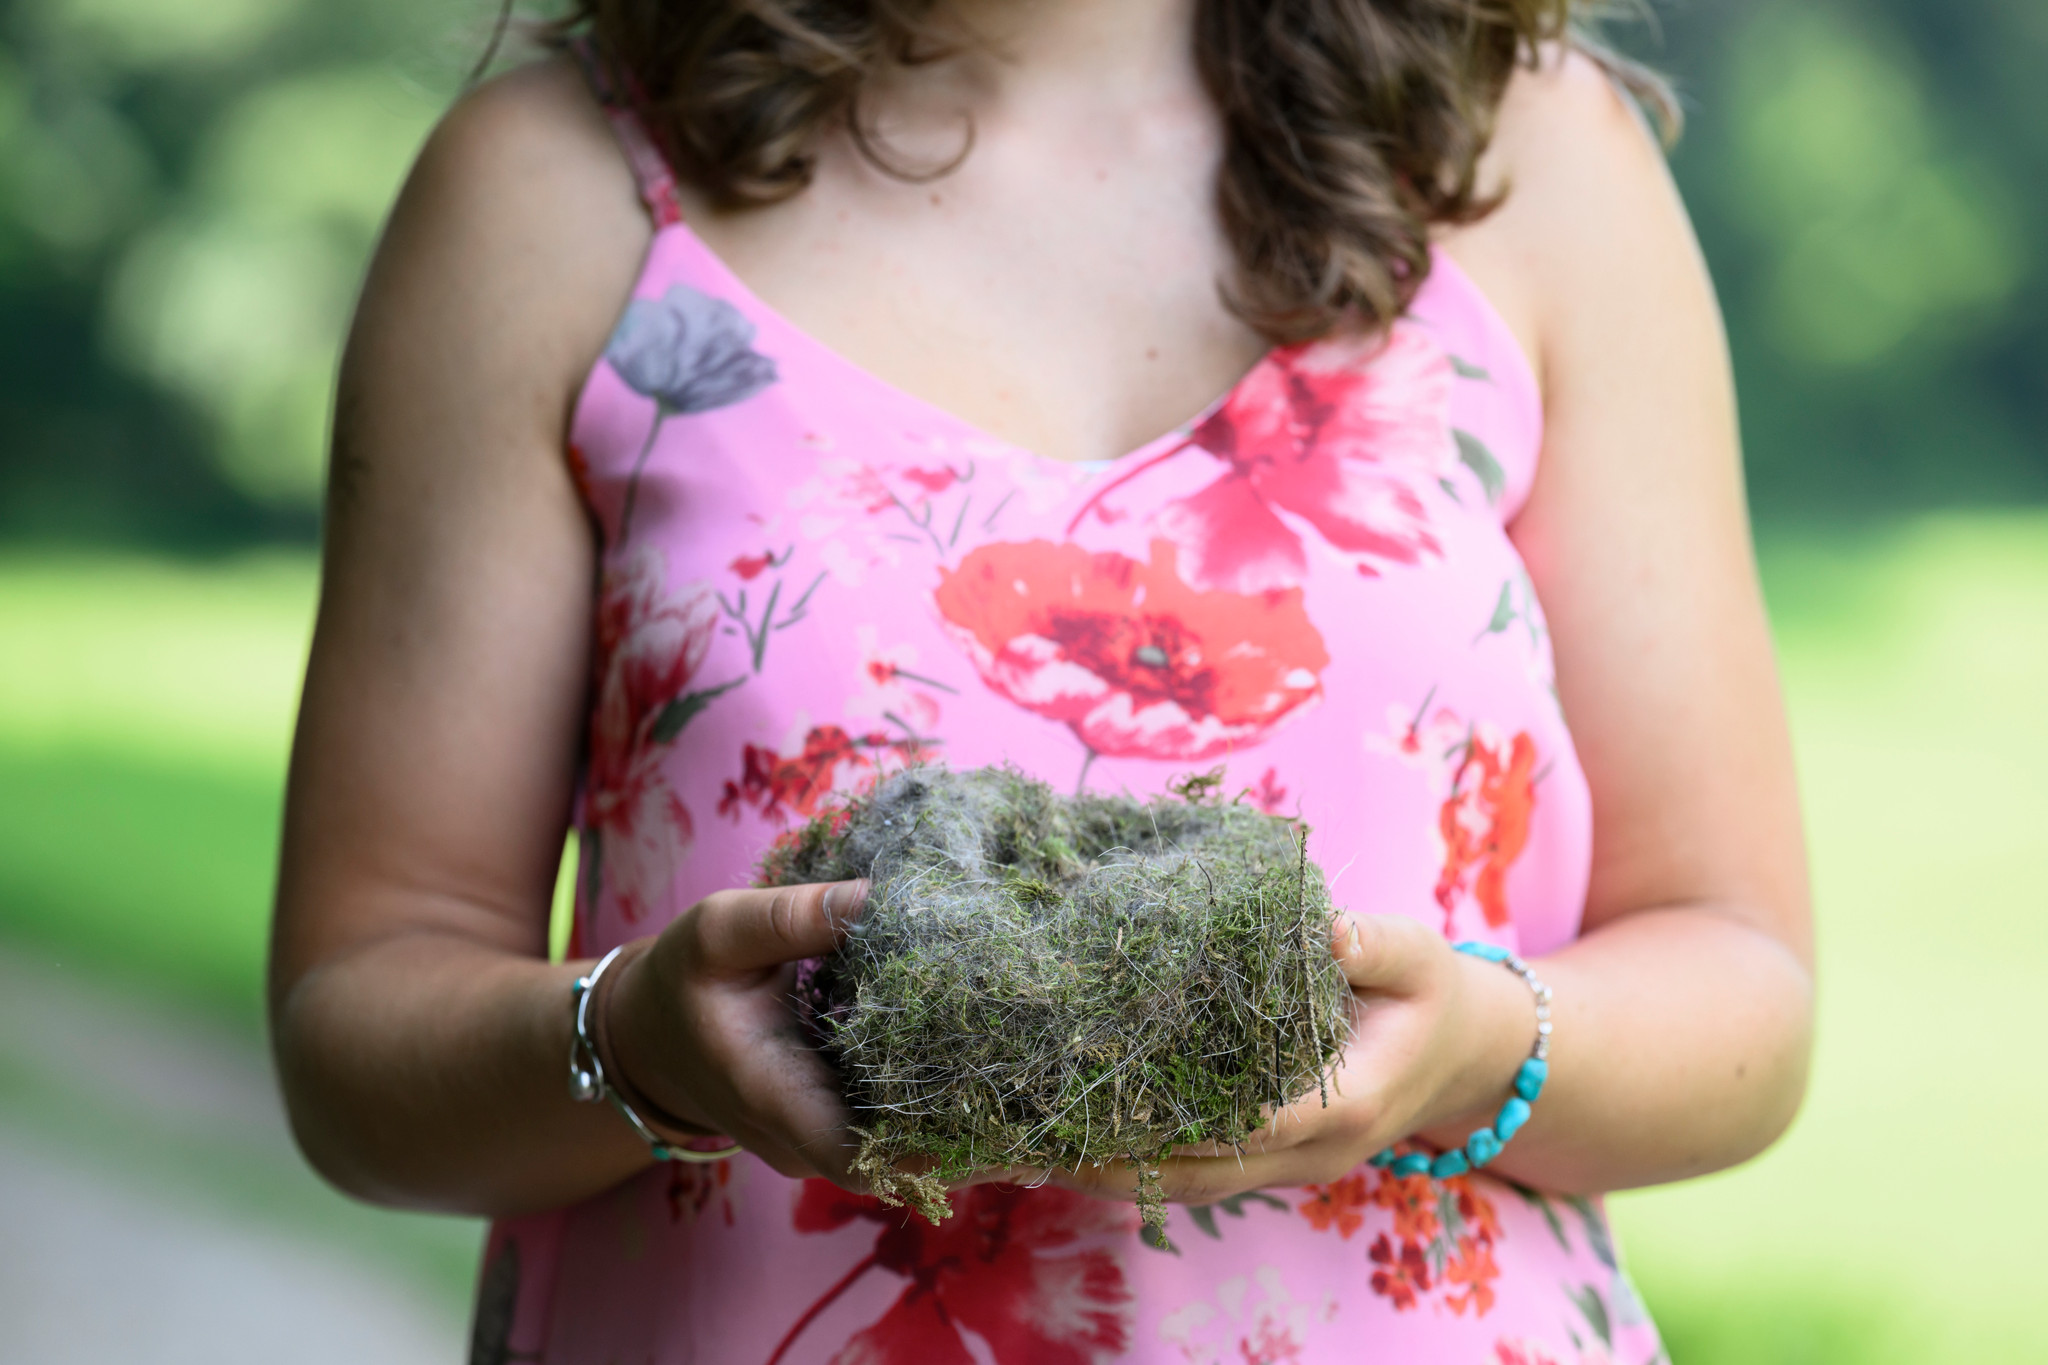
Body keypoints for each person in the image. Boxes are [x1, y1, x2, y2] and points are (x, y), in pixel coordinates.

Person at [270, 1, 1814, 1360]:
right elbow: (358, 1035)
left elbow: (1742, 988)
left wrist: (1470, 1051)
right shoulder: (547, 192)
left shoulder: (1531, 162)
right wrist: (635, 1044)